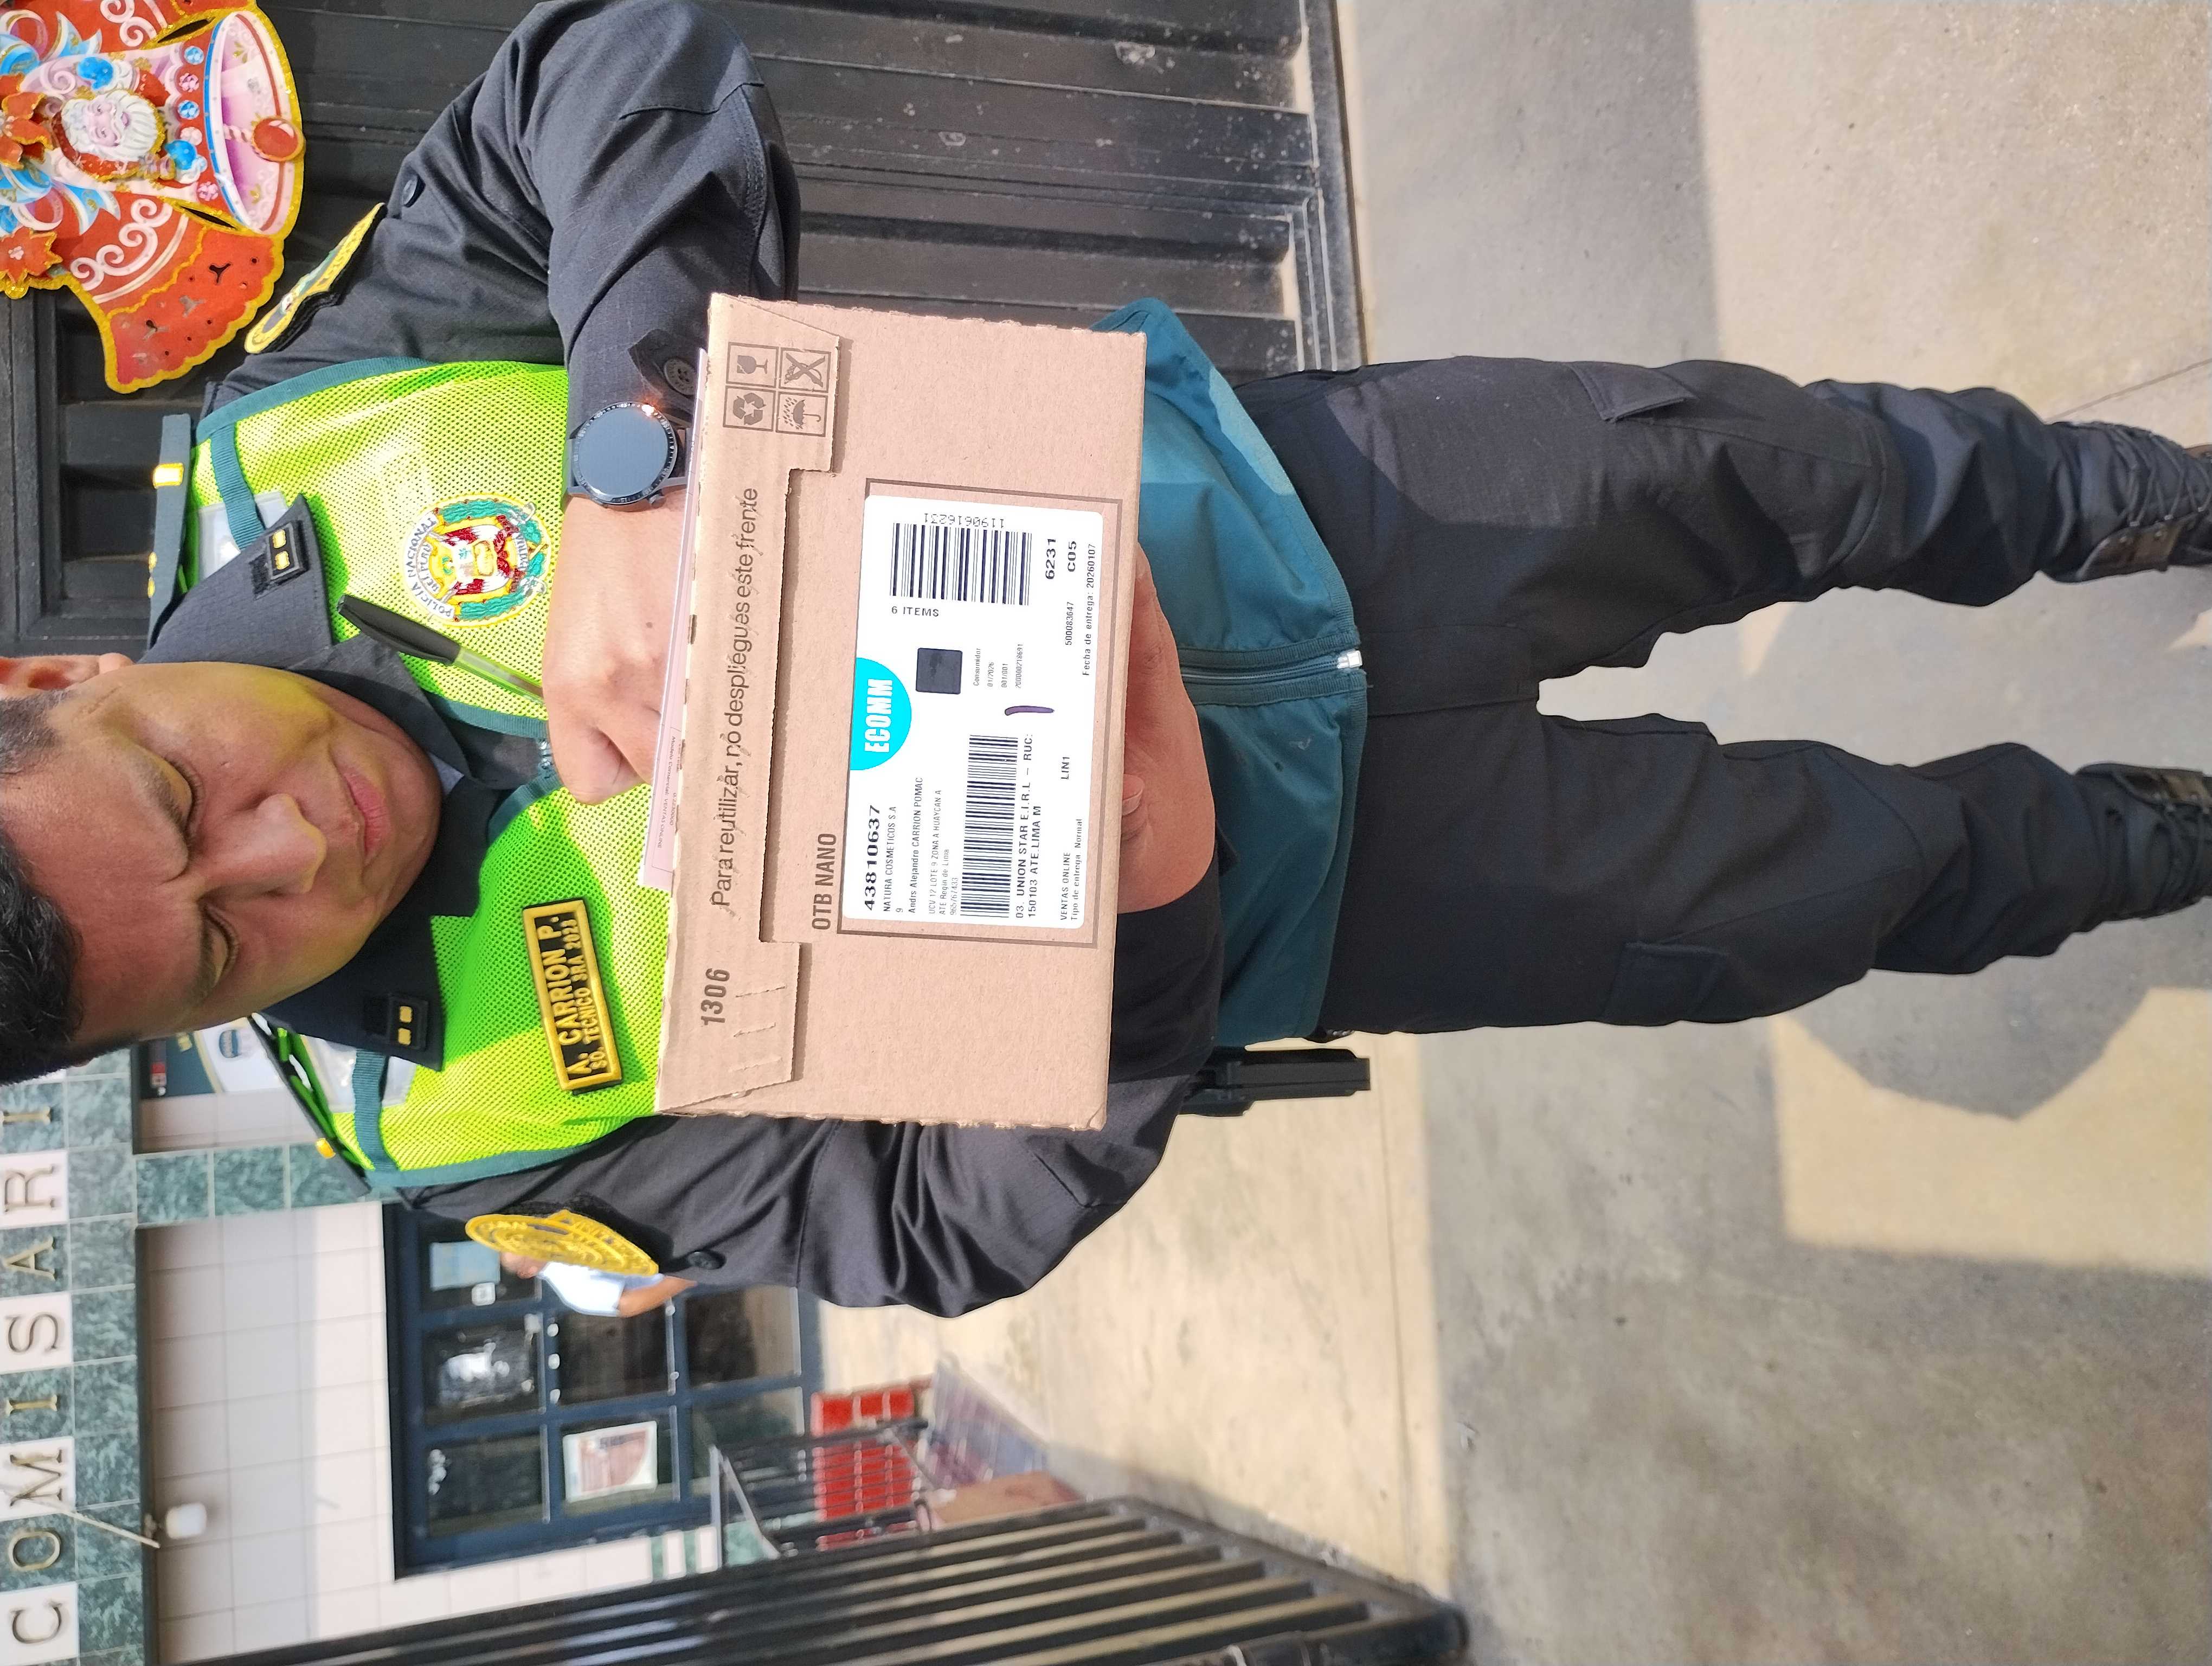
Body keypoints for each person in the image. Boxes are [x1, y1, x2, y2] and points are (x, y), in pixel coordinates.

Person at [2, 0, 2210, 1317]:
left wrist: (634, 451)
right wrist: (1144, 928)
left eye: (187, 800)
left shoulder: (317, 429)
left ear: (42, 689)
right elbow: (931, 1230)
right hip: (1351, 898)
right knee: (1853, 879)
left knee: (1791, 469)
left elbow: (610, 65)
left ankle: (2123, 497)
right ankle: (2148, 844)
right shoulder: (464, 1128)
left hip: (1283, 499)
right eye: (227, 951)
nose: (297, 851)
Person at [496, 1251, 694, 1319]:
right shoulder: (571, 1287)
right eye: (524, 1252)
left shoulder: (561, 1238)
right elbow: (628, 1304)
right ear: (527, 1272)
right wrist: (686, 1277)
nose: (529, 1245)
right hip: (679, 1263)